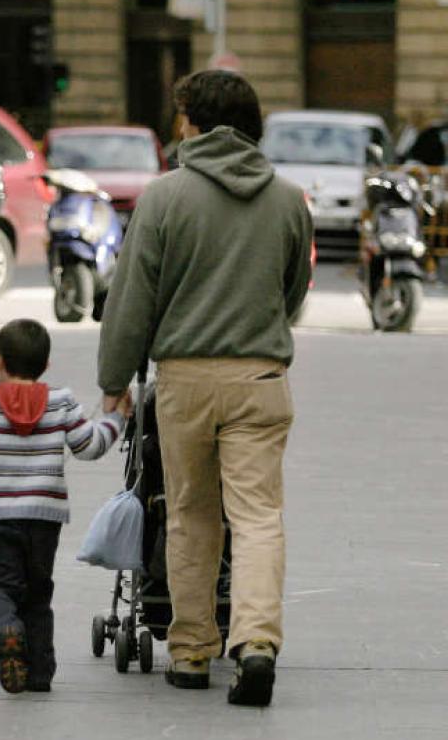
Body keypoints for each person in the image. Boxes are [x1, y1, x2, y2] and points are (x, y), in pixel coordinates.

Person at [97, 70, 313, 707]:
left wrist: (115, 379)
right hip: (259, 378)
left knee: (189, 515)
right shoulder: (286, 198)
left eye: (179, 115)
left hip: (185, 380)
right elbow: (291, 293)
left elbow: (132, 300)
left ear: (194, 123)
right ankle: (255, 645)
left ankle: (191, 651)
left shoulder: (164, 198)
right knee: (257, 518)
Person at [0, 319, 128, 694]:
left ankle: (6, 626)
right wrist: (116, 418)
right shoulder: (62, 401)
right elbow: (89, 446)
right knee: (38, 594)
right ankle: (38, 674)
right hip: (44, 519)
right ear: (47, 364)